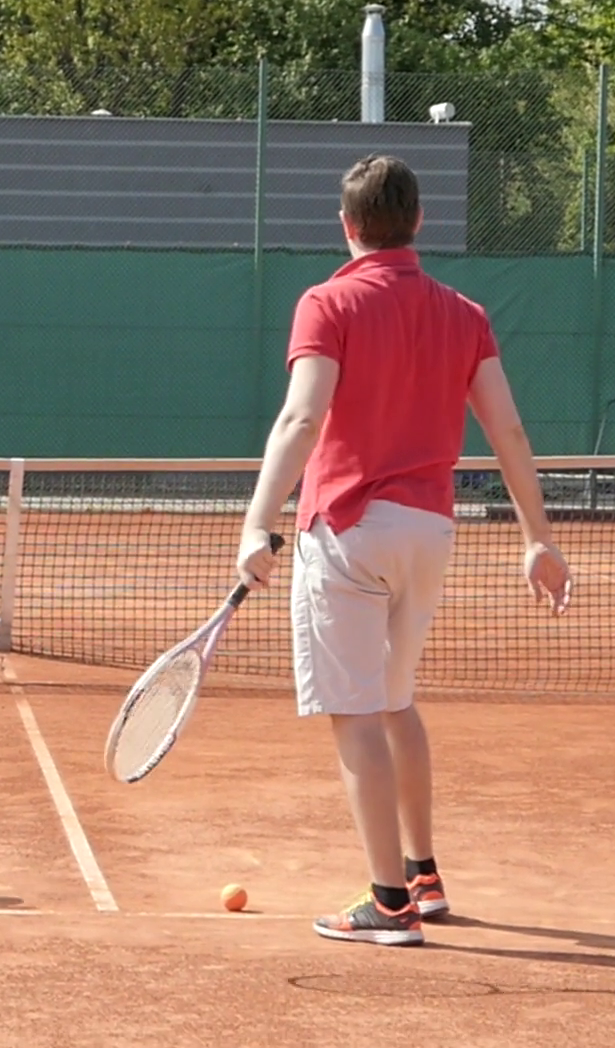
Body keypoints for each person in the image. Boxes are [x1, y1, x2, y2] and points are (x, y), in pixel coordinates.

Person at [234, 155, 572, 946]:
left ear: (347, 225)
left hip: (349, 530)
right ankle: (422, 873)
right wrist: (539, 539)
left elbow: (301, 419)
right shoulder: (466, 314)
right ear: (417, 221)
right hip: (429, 533)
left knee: (355, 714)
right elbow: (508, 429)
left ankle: (389, 903)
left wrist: (255, 523)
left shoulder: (326, 303)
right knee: (394, 701)